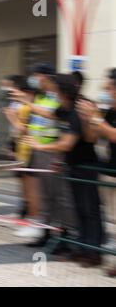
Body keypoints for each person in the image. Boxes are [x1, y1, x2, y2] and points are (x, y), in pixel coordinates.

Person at [22, 74, 102, 266]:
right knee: (78, 209)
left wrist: (39, 146)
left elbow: (67, 143)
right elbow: (49, 114)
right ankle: (81, 247)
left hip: (86, 166)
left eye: (54, 89)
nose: (52, 92)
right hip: (72, 165)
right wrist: (28, 103)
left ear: (63, 91)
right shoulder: (63, 109)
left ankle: (94, 253)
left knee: (90, 210)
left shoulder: (76, 112)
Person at [12, 63, 74, 248]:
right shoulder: (41, 97)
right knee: (45, 195)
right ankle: (46, 232)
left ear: (45, 77)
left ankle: (65, 236)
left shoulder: (59, 98)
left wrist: (27, 102)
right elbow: (34, 122)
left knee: (60, 197)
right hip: (38, 151)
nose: (34, 80)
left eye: (36, 76)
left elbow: (53, 117)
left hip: (53, 153)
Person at [77, 68, 116, 275]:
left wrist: (96, 119)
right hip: (109, 170)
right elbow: (94, 138)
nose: (106, 91)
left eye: (109, 87)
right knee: (113, 219)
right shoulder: (109, 111)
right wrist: (88, 118)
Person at [3, 76, 42, 236]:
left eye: (16, 90)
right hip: (22, 150)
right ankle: (29, 219)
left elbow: (26, 130)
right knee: (26, 189)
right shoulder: (23, 106)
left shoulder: (31, 107)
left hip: (32, 150)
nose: (13, 93)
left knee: (32, 190)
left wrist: (13, 119)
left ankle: (35, 222)